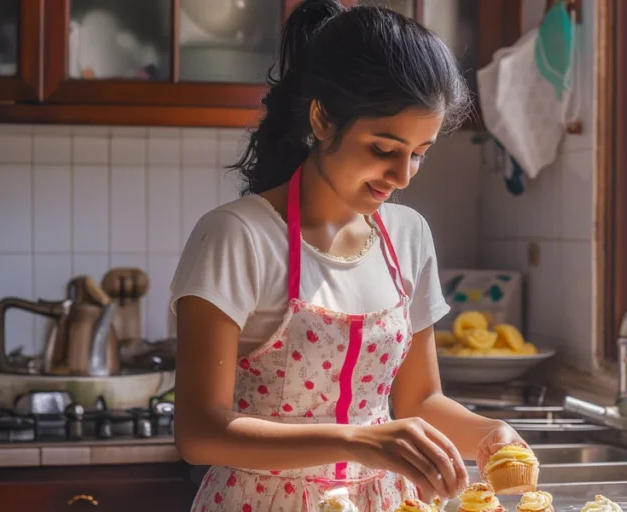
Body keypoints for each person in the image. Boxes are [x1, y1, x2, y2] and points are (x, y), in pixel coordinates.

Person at [171, 1, 527, 511]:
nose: (403, 175)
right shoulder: (236, 237)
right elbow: (199, 432)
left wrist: (491, 433)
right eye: (384, 149)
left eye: (420, 153)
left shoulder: (409, 237)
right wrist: (356, 439)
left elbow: (419, 401)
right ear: (322, 118)